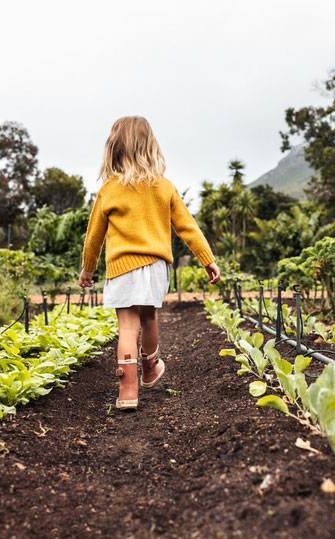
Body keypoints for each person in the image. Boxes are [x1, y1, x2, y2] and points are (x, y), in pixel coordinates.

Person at [79, 116, 220, 411]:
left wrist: (88, 268)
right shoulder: (164, 186)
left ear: (114, 149)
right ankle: (150, 368)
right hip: (156, 266)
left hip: (121, 267)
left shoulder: (109, 189)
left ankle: (127, 390)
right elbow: (187, 227)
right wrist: (207, 259)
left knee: (127, 328)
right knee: (149, 318)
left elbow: (94, 236)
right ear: (150, 147)